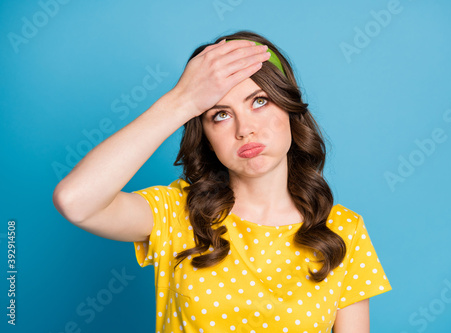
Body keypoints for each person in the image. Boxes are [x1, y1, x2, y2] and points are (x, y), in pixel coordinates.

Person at [53, 30, 392, 333]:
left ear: (289, 107)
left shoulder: (345, 231)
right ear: (206, 136)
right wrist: (183, 101)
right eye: (221, 114)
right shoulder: (177, 214)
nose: (245, 129)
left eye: (260, 101)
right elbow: (76, 201)